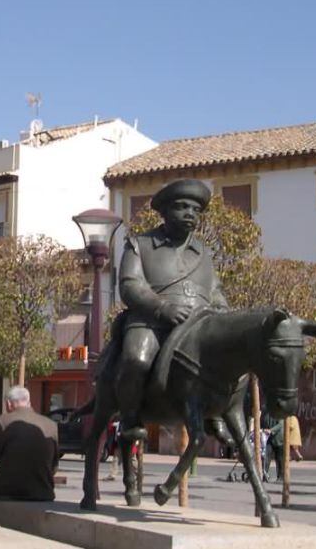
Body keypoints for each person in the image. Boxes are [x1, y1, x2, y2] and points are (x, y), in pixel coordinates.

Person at [115, 179, 227, 441]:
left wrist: (222, 310)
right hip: (152, 321)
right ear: (164, 211)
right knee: (136, 359)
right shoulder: (139, 245)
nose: (190, 213)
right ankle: (130, 417)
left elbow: (216, 290)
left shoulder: (204, 253)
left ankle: (215, 413)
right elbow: (130, 285)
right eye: (182, 207)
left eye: (196, 210)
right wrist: (161, 308)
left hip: (199, 323)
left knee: (230, 360)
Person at [0, 386, 59, 522]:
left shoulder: (3, 421)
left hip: (7, 490)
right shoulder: (51, 425)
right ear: (29, 402)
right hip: (43, 491)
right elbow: (54, 467)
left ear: (9, 404)